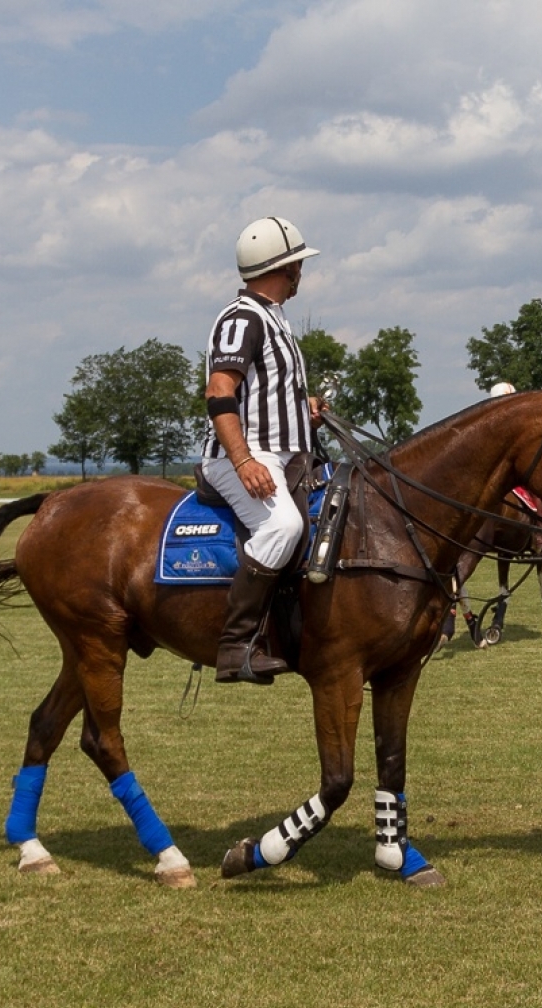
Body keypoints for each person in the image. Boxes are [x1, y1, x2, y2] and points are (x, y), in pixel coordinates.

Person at [201, 216, 323, 684]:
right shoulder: (242, 317)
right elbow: (219, 390)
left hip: (288, 454)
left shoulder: (274, 316)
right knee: (283, 525)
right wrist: (244, 460)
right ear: (285, 267)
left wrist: (303, 406)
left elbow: (263, 391)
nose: (301, 274)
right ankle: (235, 646)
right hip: (242, 457)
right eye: (298, 264)